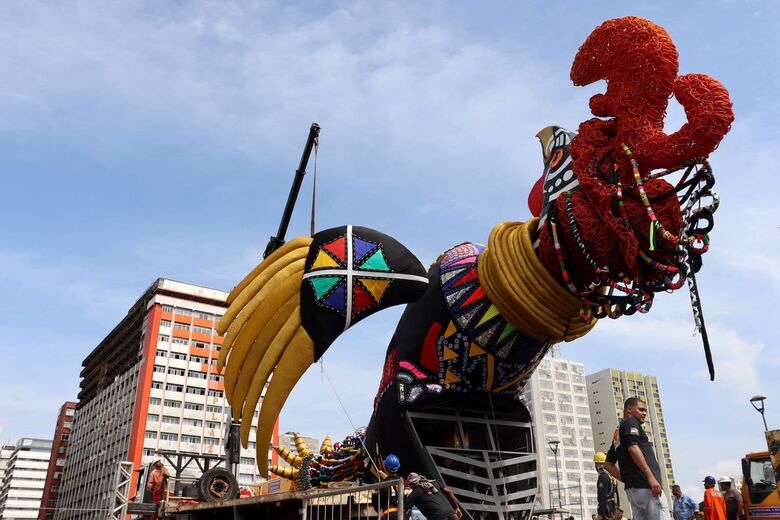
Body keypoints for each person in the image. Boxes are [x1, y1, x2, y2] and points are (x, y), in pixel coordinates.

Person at [608, 397, 669, 520]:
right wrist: (651, 477)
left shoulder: (618, 433)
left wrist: (627, 479)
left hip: (634, 490)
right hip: (647, 487)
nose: (644, 413)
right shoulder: (631, 422)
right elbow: (633, 449)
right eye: (641, 409)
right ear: (629, 410)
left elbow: (608, 464)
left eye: (645, 410)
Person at [372, 454, 402, 519]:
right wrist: (384, 476)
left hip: (388, 515)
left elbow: (377, 505)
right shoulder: (401, 481)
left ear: (385, 467)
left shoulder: (383, 485)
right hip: (400, 514)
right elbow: (393, 480)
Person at [595, 451, 618, 520]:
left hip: (606, 509)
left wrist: (600, 514)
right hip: (612, 507)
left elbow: (602, 497)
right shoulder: (611, 476)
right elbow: (616, 493)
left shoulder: (602, 478)